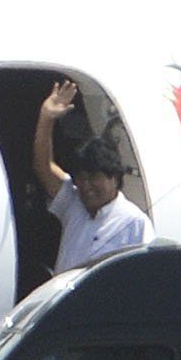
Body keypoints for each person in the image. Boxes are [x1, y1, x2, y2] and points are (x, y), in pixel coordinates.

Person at [33, 80, 154, 272]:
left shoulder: (135, 223)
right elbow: (44, 167)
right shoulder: (73, 204)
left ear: (114, 178)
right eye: (81, 178)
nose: (86, 186)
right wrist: (46, 119)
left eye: (94, 177)